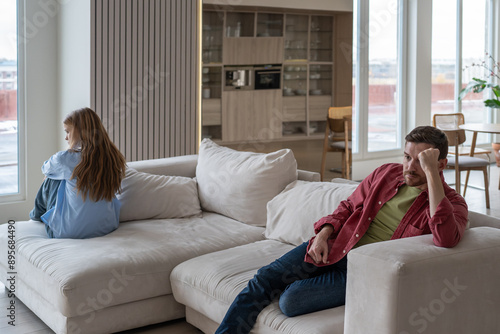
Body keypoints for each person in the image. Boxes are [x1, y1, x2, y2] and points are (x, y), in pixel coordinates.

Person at [215, 125, 468, 334]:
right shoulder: (385, 174)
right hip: (336, 245)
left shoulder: (453, 202)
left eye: (420, 161)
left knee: (290, 301)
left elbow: (446, 239)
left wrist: (432, 174)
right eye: (407, 156)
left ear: (440, 164)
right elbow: (347, 206)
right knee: (264, 278)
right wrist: (323, 234)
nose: (410, 167)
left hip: (362, 271)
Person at [29, 107, 127, 239]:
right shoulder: (113, 157)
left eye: (68, 132)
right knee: (61, 175)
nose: (66, 137)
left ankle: (36, 215)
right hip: (107, 226)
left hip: (68, 232)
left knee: (51, 178)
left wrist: (54, 171)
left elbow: (45, 168)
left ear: (80, 132)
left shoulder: (65, 159)